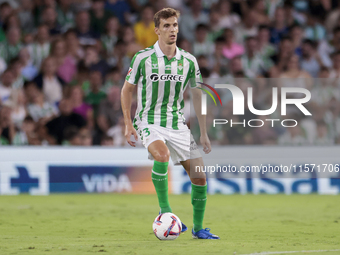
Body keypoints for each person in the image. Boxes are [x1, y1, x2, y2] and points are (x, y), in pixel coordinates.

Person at [121, 7, 219, 239]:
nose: (172, 30)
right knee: (162, 155)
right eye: (166, 26)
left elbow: (197, 95)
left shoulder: (189, 61)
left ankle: (198, 229)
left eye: (174, 25)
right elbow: (127, 90)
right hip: (149, 121)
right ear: (157, 30)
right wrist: (128, 123)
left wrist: (203, 132)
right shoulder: (142, 58)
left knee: (199, 176)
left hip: (177, 124)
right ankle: (165, 212)